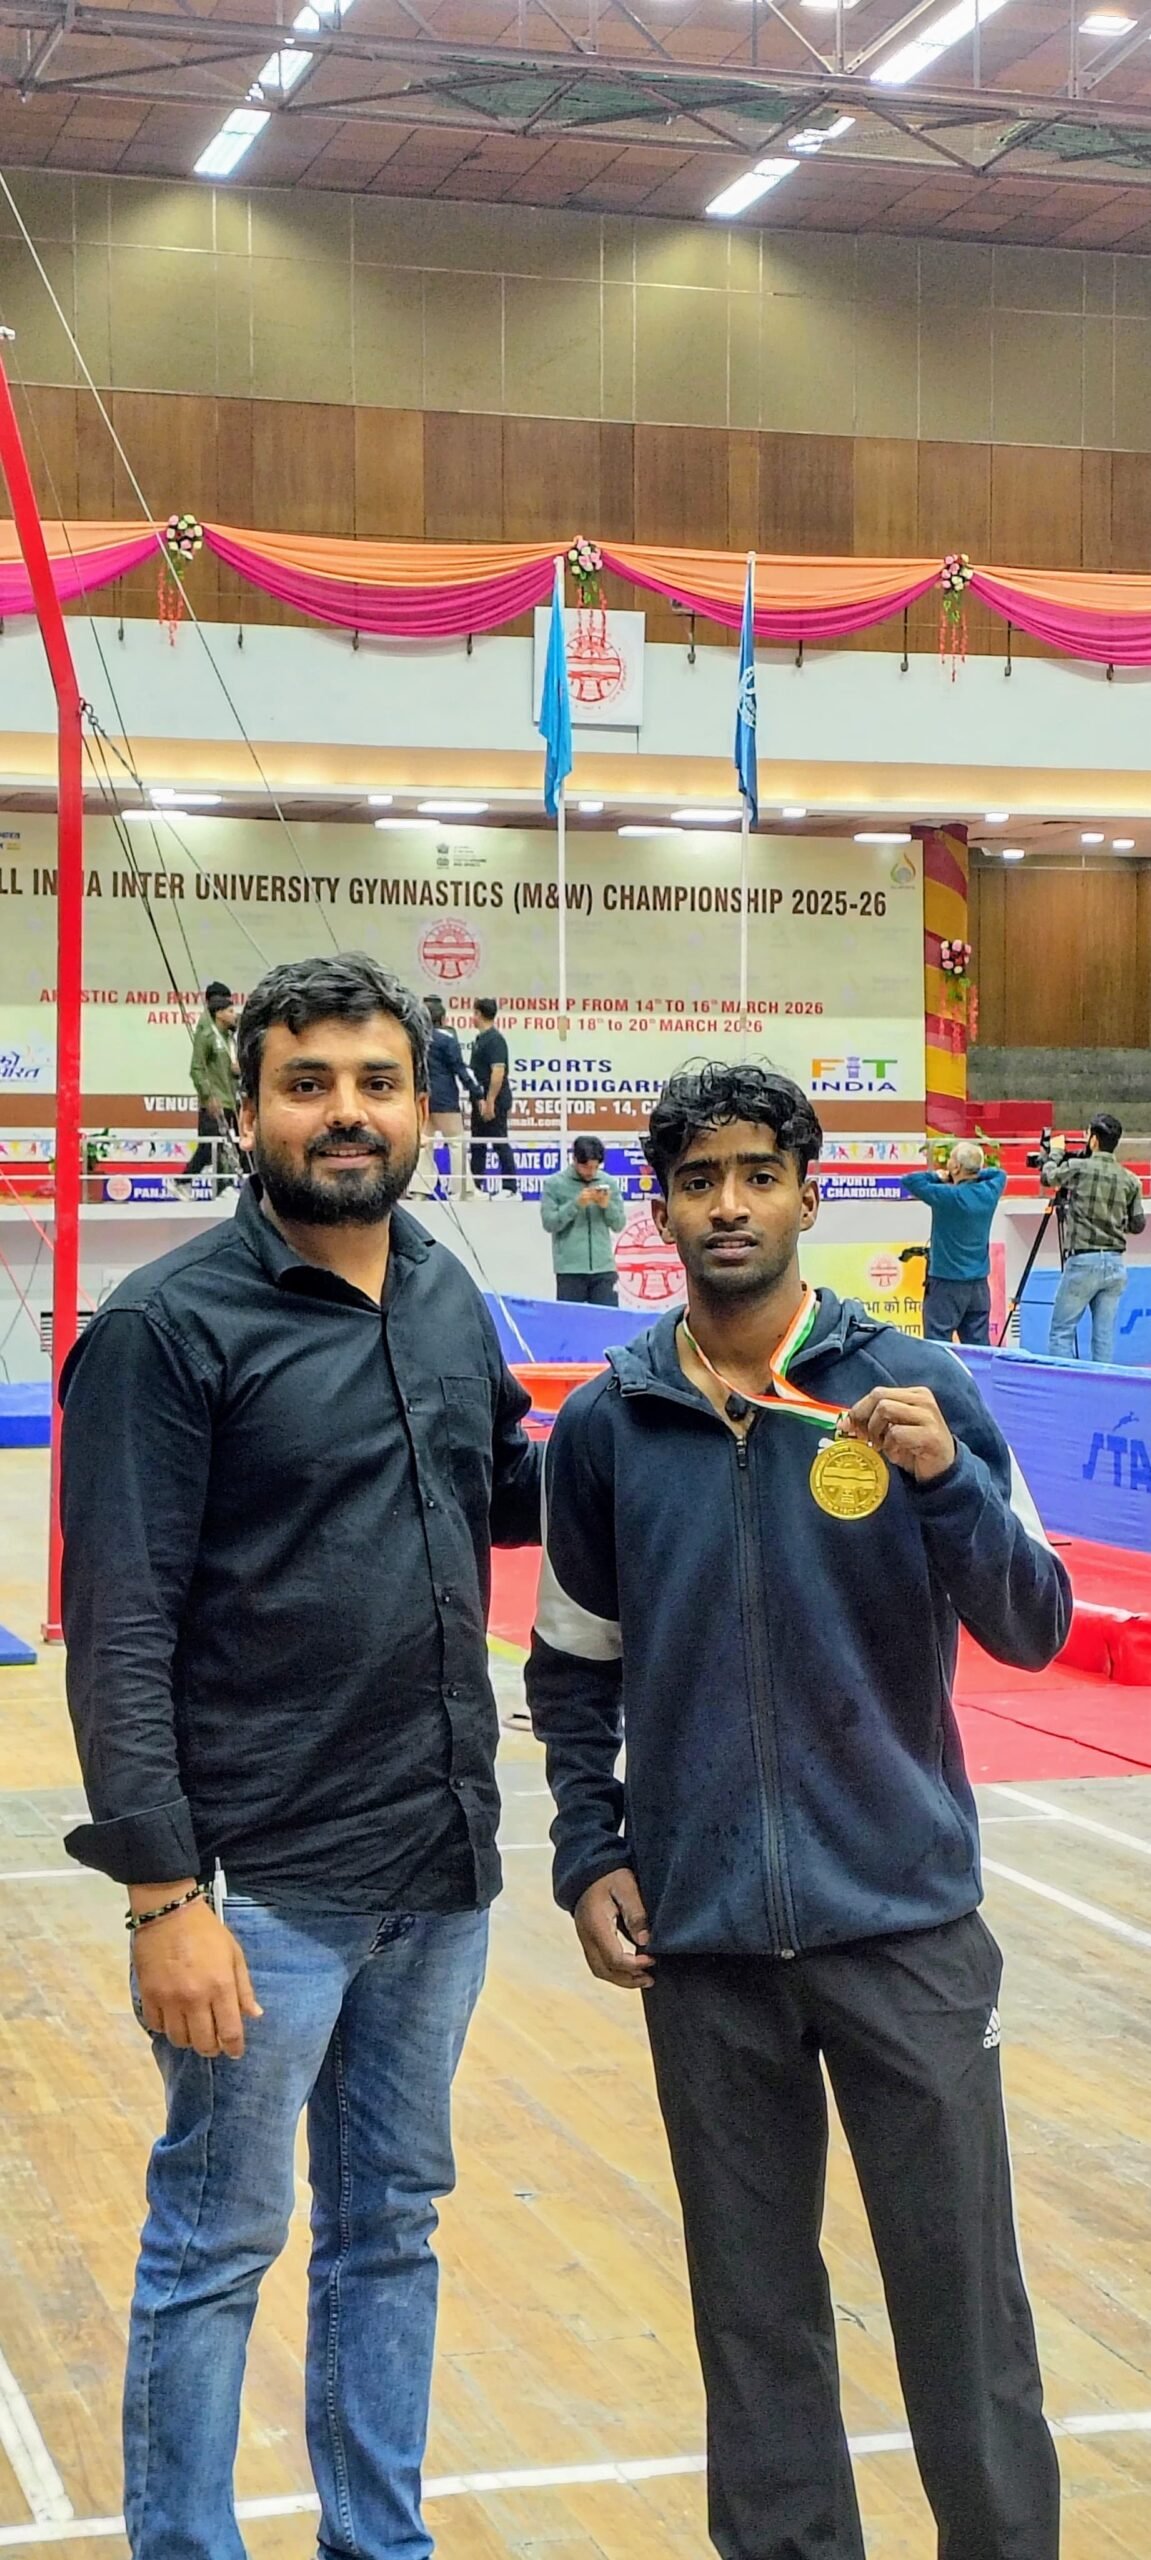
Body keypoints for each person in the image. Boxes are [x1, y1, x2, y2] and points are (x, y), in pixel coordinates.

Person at [527, 1060, 1068, 2560]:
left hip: (901, 1932)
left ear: (805, 1196)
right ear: (658, 1208)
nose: (725, 1203)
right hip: (701, 1952)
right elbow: (571, 1670)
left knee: (962, 2315)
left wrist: (947, 1479)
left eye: (754, 1174)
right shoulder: (607, 1425)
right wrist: (589, 1852)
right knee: (751, 2325)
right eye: (695, 1180)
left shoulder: (918, 1388)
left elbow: (1032, 1625)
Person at [59, 951, 541, 2560]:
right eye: (309, 1084)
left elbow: (508, 1502)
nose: (348, 1114)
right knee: (213, 2243)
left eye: (376, 1083)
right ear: (248, 1107)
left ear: (424, 1103)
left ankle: (374, 2544)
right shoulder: (165, 1328)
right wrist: (157, 1899)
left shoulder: (444, 1291)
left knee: (388, 2232)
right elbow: (118, 1629)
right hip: (258, 1892)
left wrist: (695, 1410)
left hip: (440, 1873)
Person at [1042, 1113, 1145, 1364]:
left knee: (1062, 1331)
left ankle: (1064, 1387)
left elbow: (1048, 1177)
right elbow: (1138, 1224)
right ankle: (1101, 1392)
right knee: (1104, 1337)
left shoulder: (1079, 1168)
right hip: (1115, 1264)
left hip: (1084, 1262)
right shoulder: (1131, 1179)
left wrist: (1055, 1152)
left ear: (1094, 1140)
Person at [903, 1139, 1006, 1345]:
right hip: (978, 1285)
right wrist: (975, 1171)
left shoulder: (946, 1195)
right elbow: (999, 1173)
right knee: (979, 1348)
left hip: (945, 1283)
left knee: (939, 1344)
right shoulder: (990, 1192)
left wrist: (939, 1176)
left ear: (956, 1167)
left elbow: (910, 1180)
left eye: (951, 1160)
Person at [540, 1135, 627, 1306]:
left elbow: (619, 1224)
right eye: (586, 1167)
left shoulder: (608, 1182)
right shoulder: (554, 1184)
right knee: (570, 1324)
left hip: (604, 1268)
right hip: (570, 1270)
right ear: (574, 1159)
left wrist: (606, 1206)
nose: (591, 1172)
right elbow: (549, 1223)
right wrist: (576, 1204)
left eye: (595, 1167)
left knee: (608, 1322)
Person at [410, 994, 479, 1197]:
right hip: (446, 1099)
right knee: (456, 1143)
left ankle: (420, 1190)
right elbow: (459, 1068)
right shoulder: (446, 1040)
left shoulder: (415, 1040)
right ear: (443, 1018)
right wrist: (476, 1092)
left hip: (422, 1097)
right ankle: (461, 1189)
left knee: (424, 1143)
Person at [185, 979, 239, 1191]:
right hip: (215, 1099)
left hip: (230, 1098)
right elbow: (196, 1068)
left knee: (226, 1146)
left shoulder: (229, 1035)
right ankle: (182, 1181)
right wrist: (208, 1096)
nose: (234, 1013)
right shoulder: (206, 1032)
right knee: (210, 1146)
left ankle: (223, 1187)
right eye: (229, 1007)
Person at [469, 996, 518, 1197]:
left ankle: (510, 1187)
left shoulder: (495, 1040)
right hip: (479, 1100)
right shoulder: (480, 1040)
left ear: (479, 1014)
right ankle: (476, 1186)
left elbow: (497, 1072)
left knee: (499, 1141)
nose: (473, 1017)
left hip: (494, 1101)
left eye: (474, 1013)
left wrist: (490, 1102)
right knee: (477, 1144)